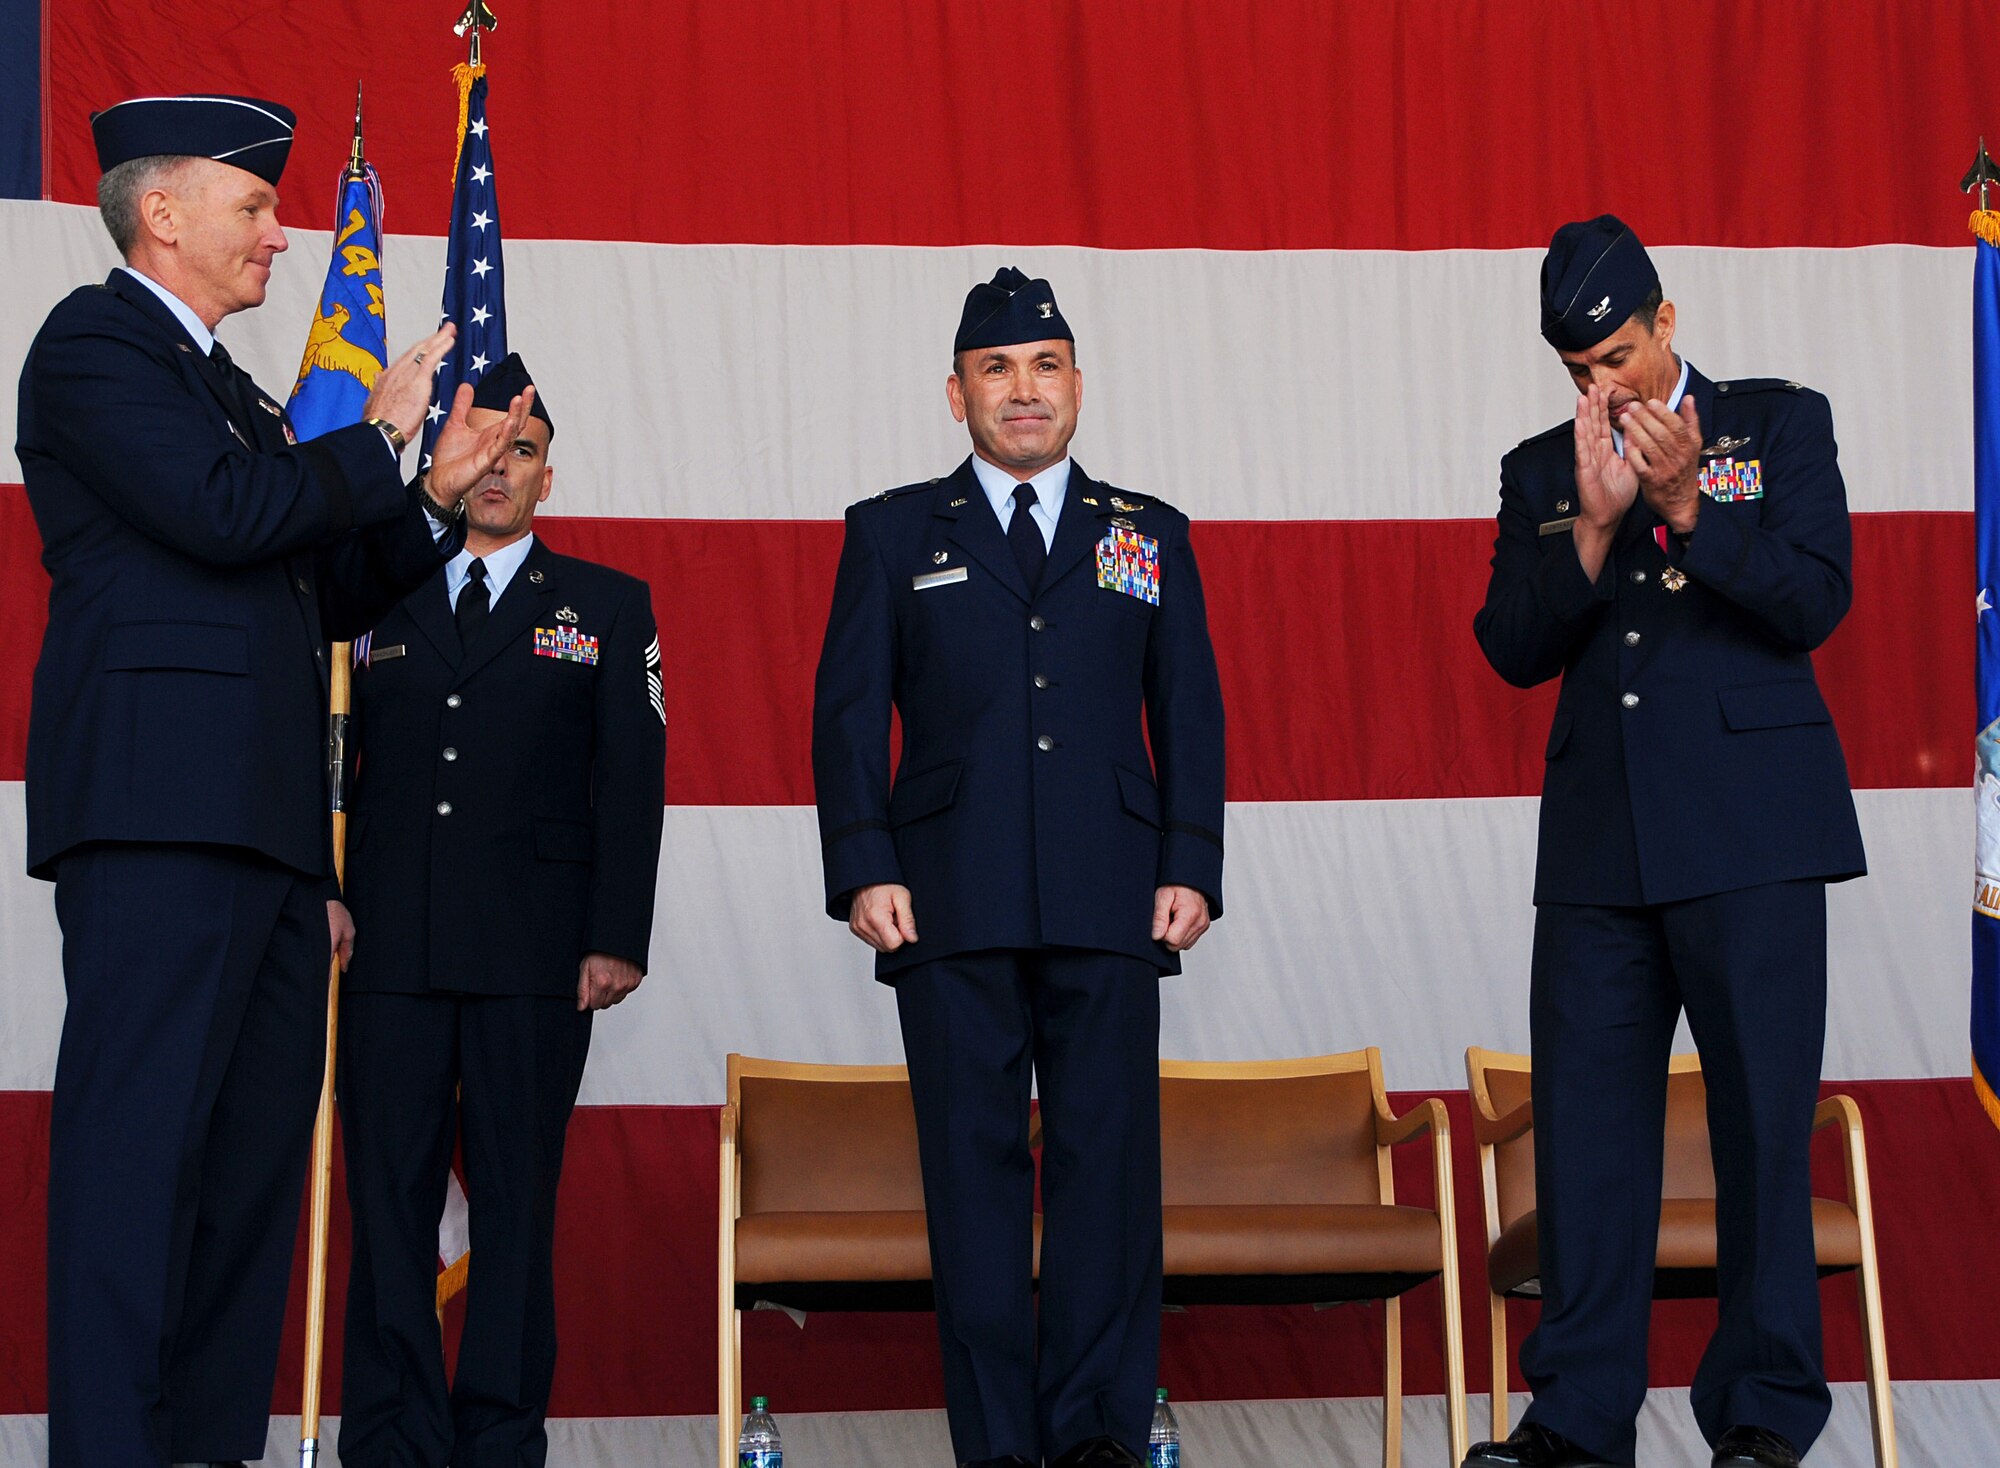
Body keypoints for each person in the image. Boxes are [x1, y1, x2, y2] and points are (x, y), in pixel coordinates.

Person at [17, 93, 534, 1468]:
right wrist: (370, 439)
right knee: (138, 1166)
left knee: (245, 1177)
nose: (279, 232)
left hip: (269, 832)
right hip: (154, 815)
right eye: (252, 207)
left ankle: (202, 1448)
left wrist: (430, 496)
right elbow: (225, 514)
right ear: (163, 212)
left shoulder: (235, 392)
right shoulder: (96, 345)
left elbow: (313, 586)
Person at [1467, 215, 1867, 1468]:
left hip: (1750, 834)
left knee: (1758, 1128)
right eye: (1581, 370)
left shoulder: (1775, 423)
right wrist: (1587, 530)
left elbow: (1814, 600)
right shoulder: (1540, 468)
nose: (1607, 386)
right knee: (1586, 1137)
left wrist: (1689, 503)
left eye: (1623, 355)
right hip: (1598, 849)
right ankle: (1578, 1419)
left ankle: (1759, 1415)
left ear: (1667, 323)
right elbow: (1509, 648)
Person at [811, 268, 1226, 1468]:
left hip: (1110, 887)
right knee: (974, 1183)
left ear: (1078, 386)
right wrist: (861, 865)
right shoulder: (891, 531)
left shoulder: (1147, 533)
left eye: (1045, 364)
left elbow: (1185, 711)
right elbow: (848, 715)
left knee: (1105, 1175)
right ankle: (996, 1445)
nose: (1024, 388)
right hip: (946, 893)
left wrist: (1188, 858)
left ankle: (1095, 1434)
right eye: (997, 368)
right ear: (956, 395)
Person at [335, 354, 665, 1468]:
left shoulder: (607, 606)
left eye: (520, 449)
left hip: (537, 951)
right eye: (478, 442)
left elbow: (629, 777)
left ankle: (499, 1436)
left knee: (519, 1204)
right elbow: (324, 760)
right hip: (388, 941)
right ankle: (391, 1436)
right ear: (444, 454)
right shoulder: (368, 589)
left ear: (546, 476)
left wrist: (617, 934)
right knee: (386, 1207)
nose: (496, 468)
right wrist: (322, 891)